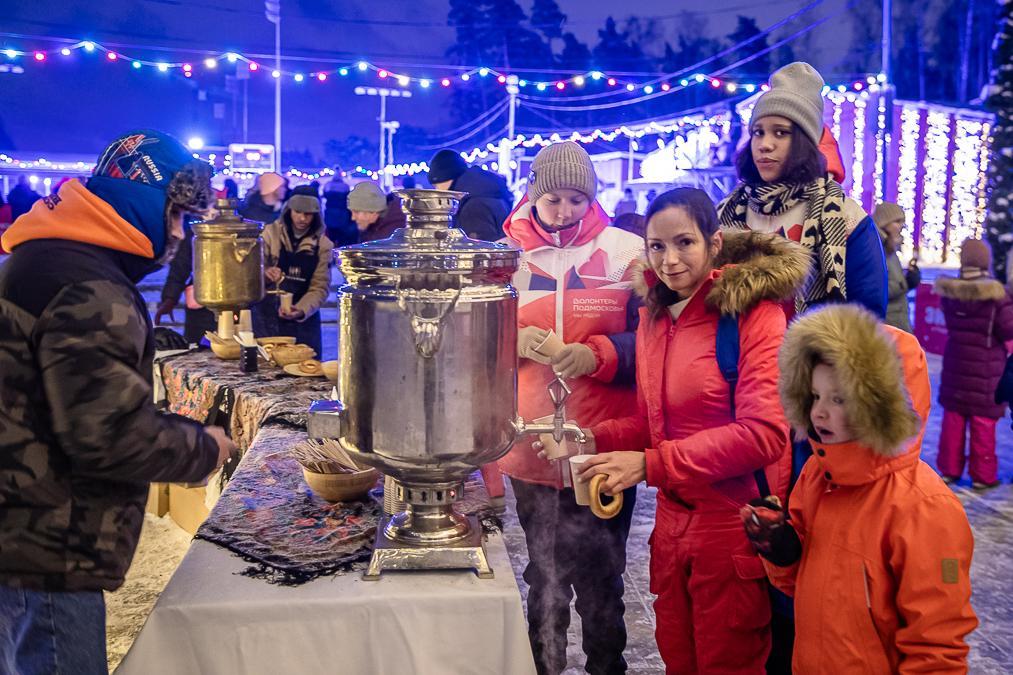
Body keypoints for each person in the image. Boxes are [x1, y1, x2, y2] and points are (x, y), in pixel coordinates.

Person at [0, 130, 235, 672]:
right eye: (176, 216)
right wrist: (205, 446)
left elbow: (73, 402)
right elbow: (106, 435)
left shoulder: (45, 258)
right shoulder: (87, 285)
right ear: (145, 204)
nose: (178, 235)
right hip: (45, 546)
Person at [574, 187, 807, 674]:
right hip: (673, 528)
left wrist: (651, 464)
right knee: (678, 658)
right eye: (656, 246)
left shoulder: (753, 315)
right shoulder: (656, 316)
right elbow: (651, 422)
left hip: (731, 528)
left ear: (714, 243)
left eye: (684, 243)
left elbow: (764, 433)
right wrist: (590, 438)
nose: (669, 260)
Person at [742, 304, 978, 673]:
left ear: (881, 406)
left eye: (839, 399)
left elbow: (937, 647)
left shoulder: (925, 508)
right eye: (816, 396)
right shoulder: (819, 476)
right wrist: (782, 550)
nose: (819, 412)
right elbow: (803, 588)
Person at [498, 141, 644, 675]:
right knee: (544, 576)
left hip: (603, 442)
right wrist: (506, 339)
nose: (564, 213)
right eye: (554, 199)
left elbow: (650, 343)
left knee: (603, 579)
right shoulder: (505, 256)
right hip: (531, 443)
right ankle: (546, 666)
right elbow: (471, 337)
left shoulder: (627, 251)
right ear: (533, 194)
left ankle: (607, 667)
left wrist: (596, 354)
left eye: (577, 201)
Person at [718, 62, 887, 321]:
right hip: (734, 358)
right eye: (758, 132)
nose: (764, 144)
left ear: (804, 142)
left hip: (811, 357)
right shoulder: (726, 210)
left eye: (780, 133)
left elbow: (868, 315)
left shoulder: (846, 217)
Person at [934, 238, 1013, 489]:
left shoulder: (950, 293)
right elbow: (1008, 329)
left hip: (956, 368)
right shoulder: (996, 297)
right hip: (987, 372)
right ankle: (983, 475)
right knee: (983, 425)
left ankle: (949, 470)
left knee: (953, 421)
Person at [253, 193, 333, 355]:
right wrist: (266, 272)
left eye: (308, 214)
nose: (302, 218)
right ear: (288, 211)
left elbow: (320, 287)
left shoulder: (324, 245)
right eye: (298, 212)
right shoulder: (269, 234)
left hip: (304, 321)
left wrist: (301, 309)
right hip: (267, 316)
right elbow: (252, 271)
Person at [428, 149, 514, 241]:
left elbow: (477, 248)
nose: (437, 189)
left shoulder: (472, 205)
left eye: (436, 185)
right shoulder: (486, 190)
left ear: (446, 178)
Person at [154, 223, 216, 344]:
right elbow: (179, 268)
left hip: (242, 307)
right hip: (202, 307)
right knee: (198, 349)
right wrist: (170, 299)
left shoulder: (245, 226)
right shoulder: (194, 232)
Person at [874, 201, 920, 332]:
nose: (901, 226)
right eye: (897, 221)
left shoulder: (890, 248)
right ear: (884, 223)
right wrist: (905, 283)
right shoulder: (876, 248)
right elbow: (875, 290)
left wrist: (907, 276)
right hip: (887, 324)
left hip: (897, 320)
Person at [323, 169, 355, 246]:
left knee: (331, 236)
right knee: (342, 237)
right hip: (342, 214)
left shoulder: (328, 185)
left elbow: (325, 195)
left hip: (331, 213)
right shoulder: (345, 186)